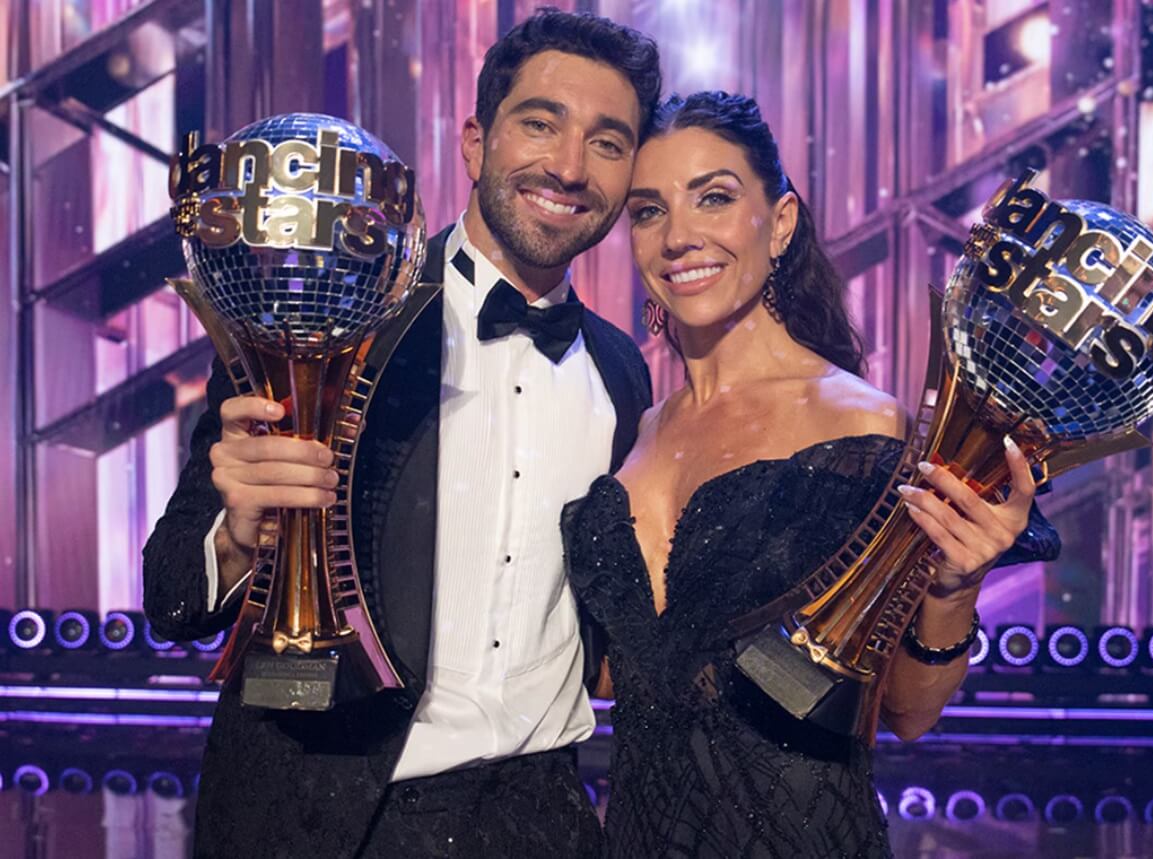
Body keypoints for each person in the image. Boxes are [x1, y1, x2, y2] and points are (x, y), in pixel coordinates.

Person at [143, 10, 660, 858]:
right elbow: (172, 595)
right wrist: (237, 537)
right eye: (540, 123)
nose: (568, 166)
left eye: (608, 142)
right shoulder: (328, 313)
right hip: (322, 813)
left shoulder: (620, 371)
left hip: (543, 819)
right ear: (474, 142)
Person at [561, 91, 1061, 857]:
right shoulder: (637, 427)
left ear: (782, 221)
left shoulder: (861, 425)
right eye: (649, 211)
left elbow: (906, 710)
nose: (678, 237)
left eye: (714, 198)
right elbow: (617, 675)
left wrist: (954, 590)